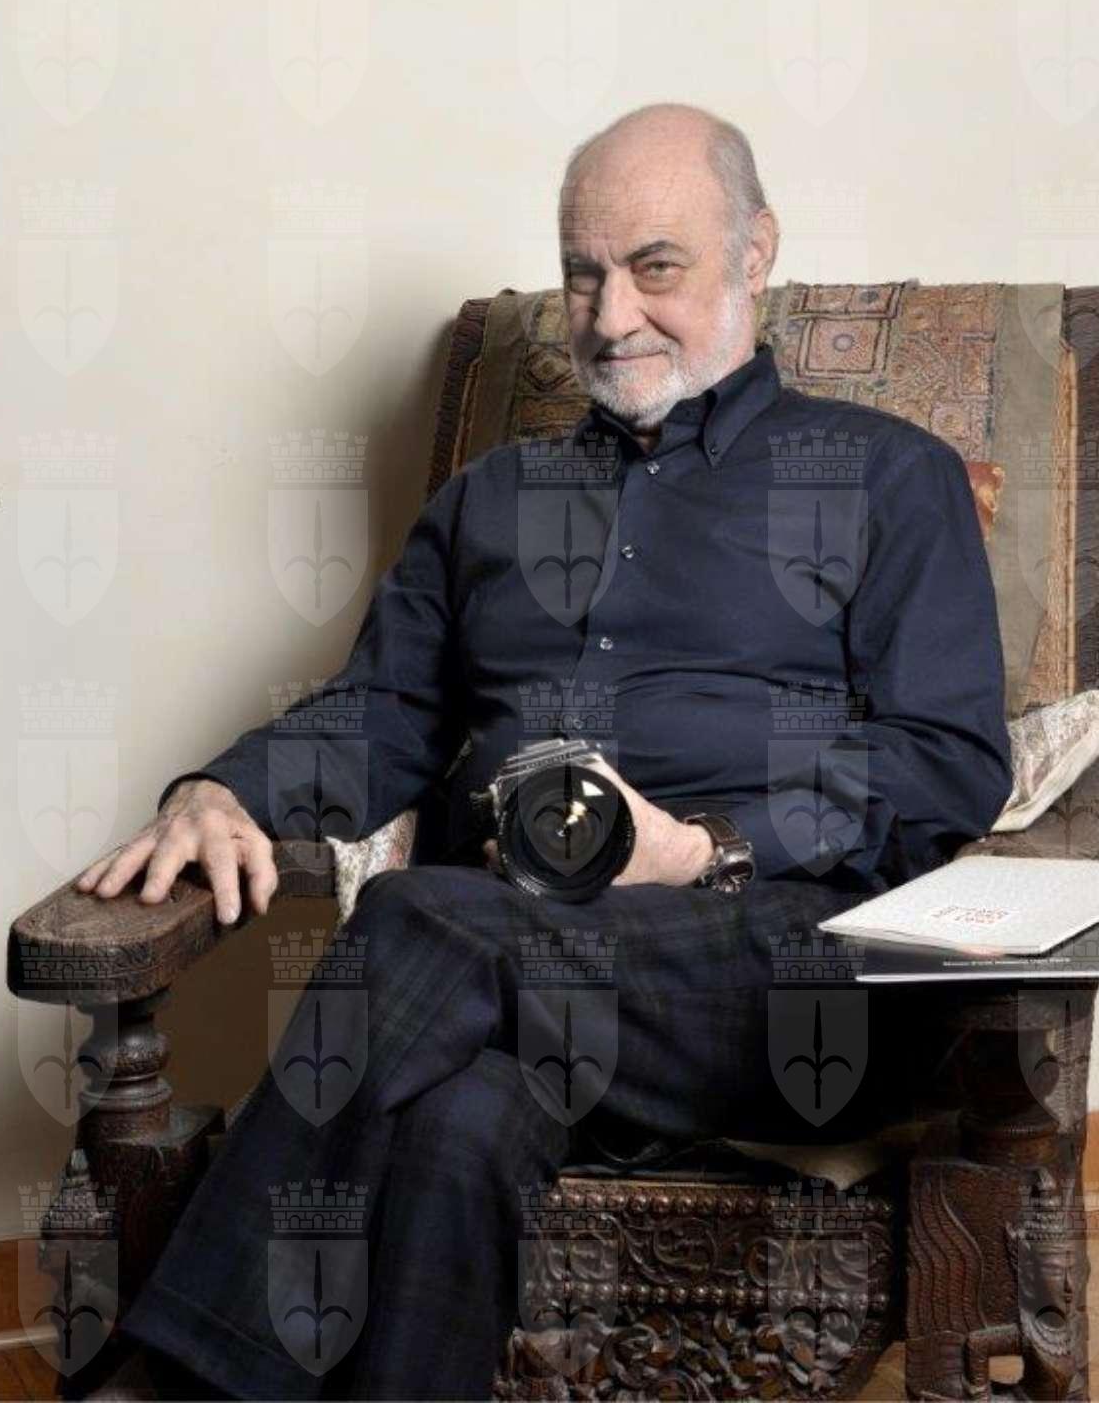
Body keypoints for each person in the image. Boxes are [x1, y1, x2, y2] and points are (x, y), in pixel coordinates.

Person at [74, 102, 1013, 1400]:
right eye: (584, 275)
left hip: (773, 968)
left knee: (420, 921)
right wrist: (221, 791)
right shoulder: (490, 500)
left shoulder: (886, 478)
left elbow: (948, 758)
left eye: (656, 267)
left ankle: (168, 1379)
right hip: (507, 965)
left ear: (755, 252)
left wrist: (704, 847)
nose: (612, 317)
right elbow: (382, 713)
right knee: (460, 1120)